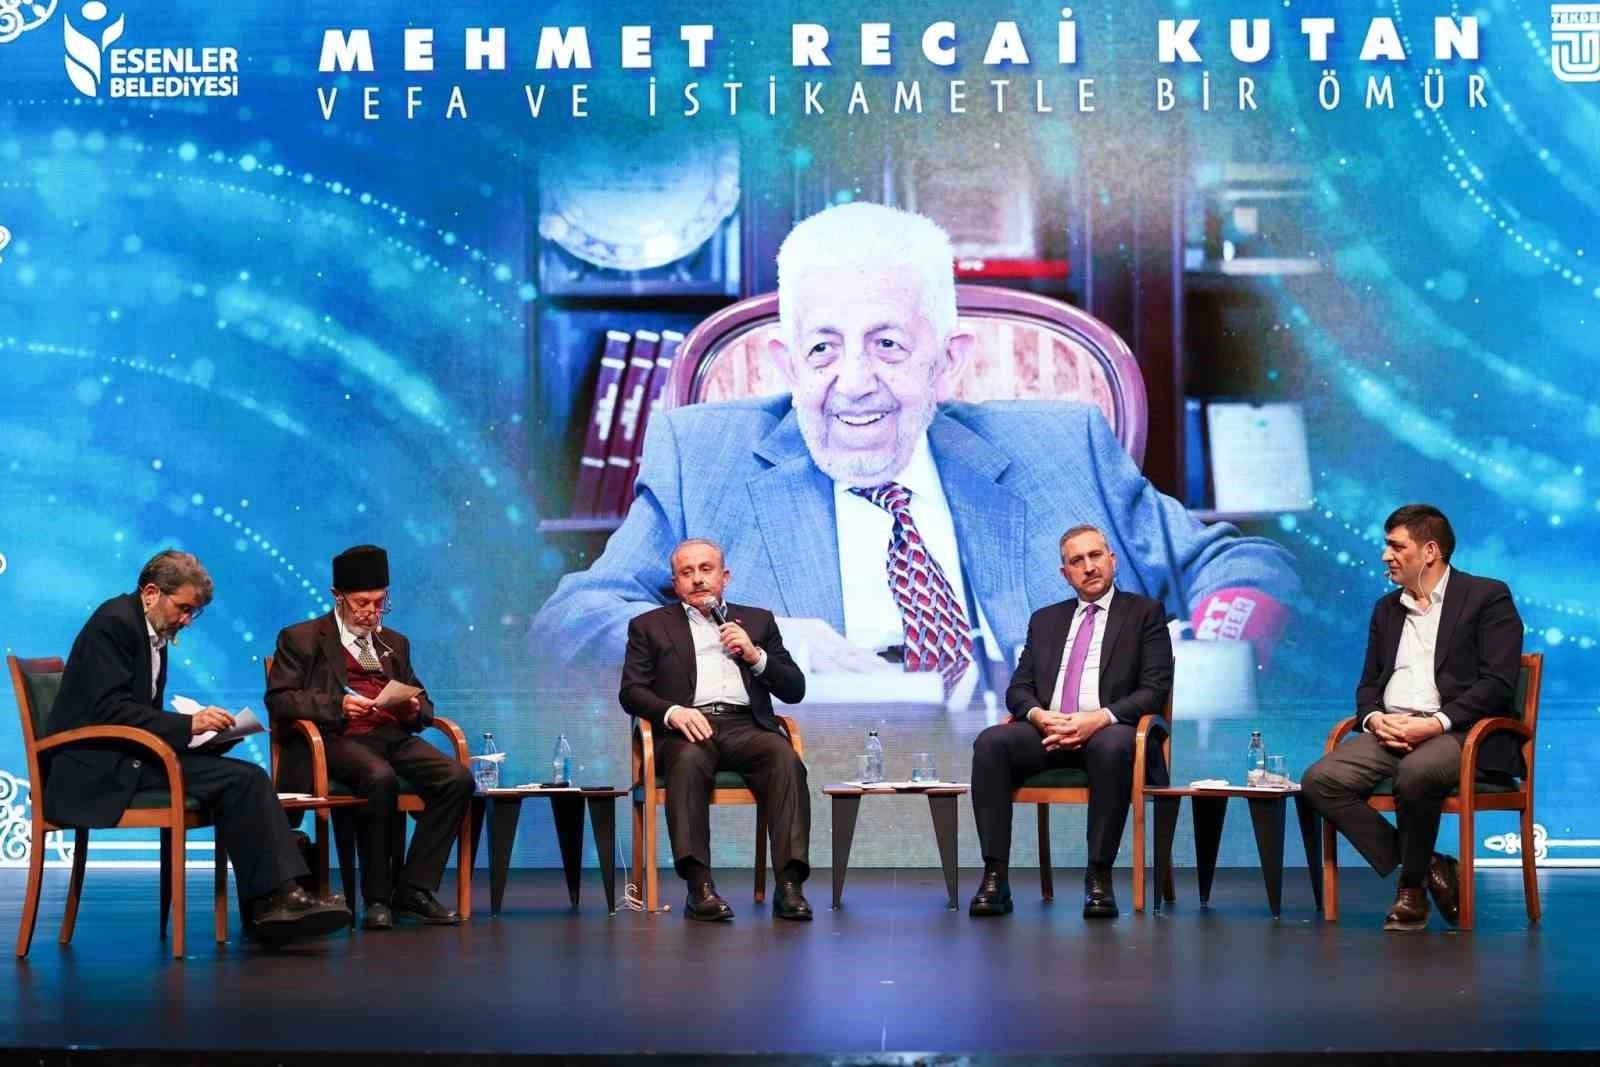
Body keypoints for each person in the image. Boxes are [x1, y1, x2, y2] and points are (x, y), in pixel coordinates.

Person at [531, 202, 1296, 702]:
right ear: (788, 363)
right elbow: (571, 624)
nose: (853, 382)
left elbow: (1241, 567)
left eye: (889, 344)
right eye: (822, 348)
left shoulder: (1062, 447)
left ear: (947, 361)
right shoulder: (705, 458)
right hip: (804, 807)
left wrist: (1207, 656)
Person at [46, 550, 350, 944]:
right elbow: (109, 710)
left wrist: (205, 738)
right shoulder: (115, 623)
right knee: (243, 781)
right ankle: (273, 900)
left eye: (195, 612)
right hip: (98, 768)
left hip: (128, 754)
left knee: (243, 778)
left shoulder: (150, 630)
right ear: (151, 593)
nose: (187, 620)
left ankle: (272, 901)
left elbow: (134, 711)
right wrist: (188, 725)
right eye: (184, 608)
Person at [1300, 505, 1523, 931]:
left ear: (1430, 551)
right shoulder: (1387, 609)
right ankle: (1430, 863)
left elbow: (1497, 683)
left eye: (1396, 546)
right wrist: (1373, 719)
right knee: (1319, 781)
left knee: (1416, 773)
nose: (1386, 555)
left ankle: (1411, 889)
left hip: (1461, 732)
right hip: (1392, 729)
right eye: (1387, 546)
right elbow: (1369, 684)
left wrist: (1435, 723)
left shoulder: (1487, 597)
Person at [966, 525, 1174, 918]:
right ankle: (995, 876)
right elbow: (1018, 689)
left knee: (1113, 745)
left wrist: (1098, 719)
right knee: (991, 743)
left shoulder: (1144, 614)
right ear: (1065, 574)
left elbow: (1154, 690)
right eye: (1077, 561)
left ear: (1112, 560)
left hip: (1111, 732)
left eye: (1096, 555)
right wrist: (1040, 716)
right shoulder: (1046, 620)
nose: (1089, 567)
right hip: (1049, 733)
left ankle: (1099, 876)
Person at [265, 545, 474, 930]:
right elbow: (280, 700)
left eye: (380, 603)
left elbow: (423, 701)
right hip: (332, 739)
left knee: (457, 778)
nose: (371, 612)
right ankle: (377, 899)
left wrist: (414, 709)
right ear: (338, 597)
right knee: (380, 777)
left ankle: (413, 888)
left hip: (390, 735)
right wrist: (339, 705)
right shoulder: (302, 638)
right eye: (362, 603)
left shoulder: (394, 642)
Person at [619, 539, 811, 921]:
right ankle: (699, 888)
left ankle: (790, 887)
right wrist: (672, 712)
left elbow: (795, 689)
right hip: (688, 727)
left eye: (706, 570)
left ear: (724, 577)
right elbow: (631, 691)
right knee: (687, 761)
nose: (697, 579)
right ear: (675, 583)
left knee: (785, 759)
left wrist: (756, 656)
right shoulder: (649, 626)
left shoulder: (758, 621)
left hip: (746, 726)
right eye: (686, 572)